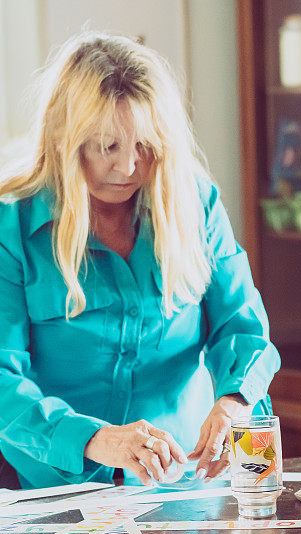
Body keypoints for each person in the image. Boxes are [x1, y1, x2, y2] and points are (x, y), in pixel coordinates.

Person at [0, 31, 280, 489]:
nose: (129, 168)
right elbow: (2, 381)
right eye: (108, 146)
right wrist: (96, 440)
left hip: (185, 486)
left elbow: (243, 328)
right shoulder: (10, 227)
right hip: (57, 487)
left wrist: (235, 401)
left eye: (145, 146)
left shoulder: (198, 205)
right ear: (62, 137)